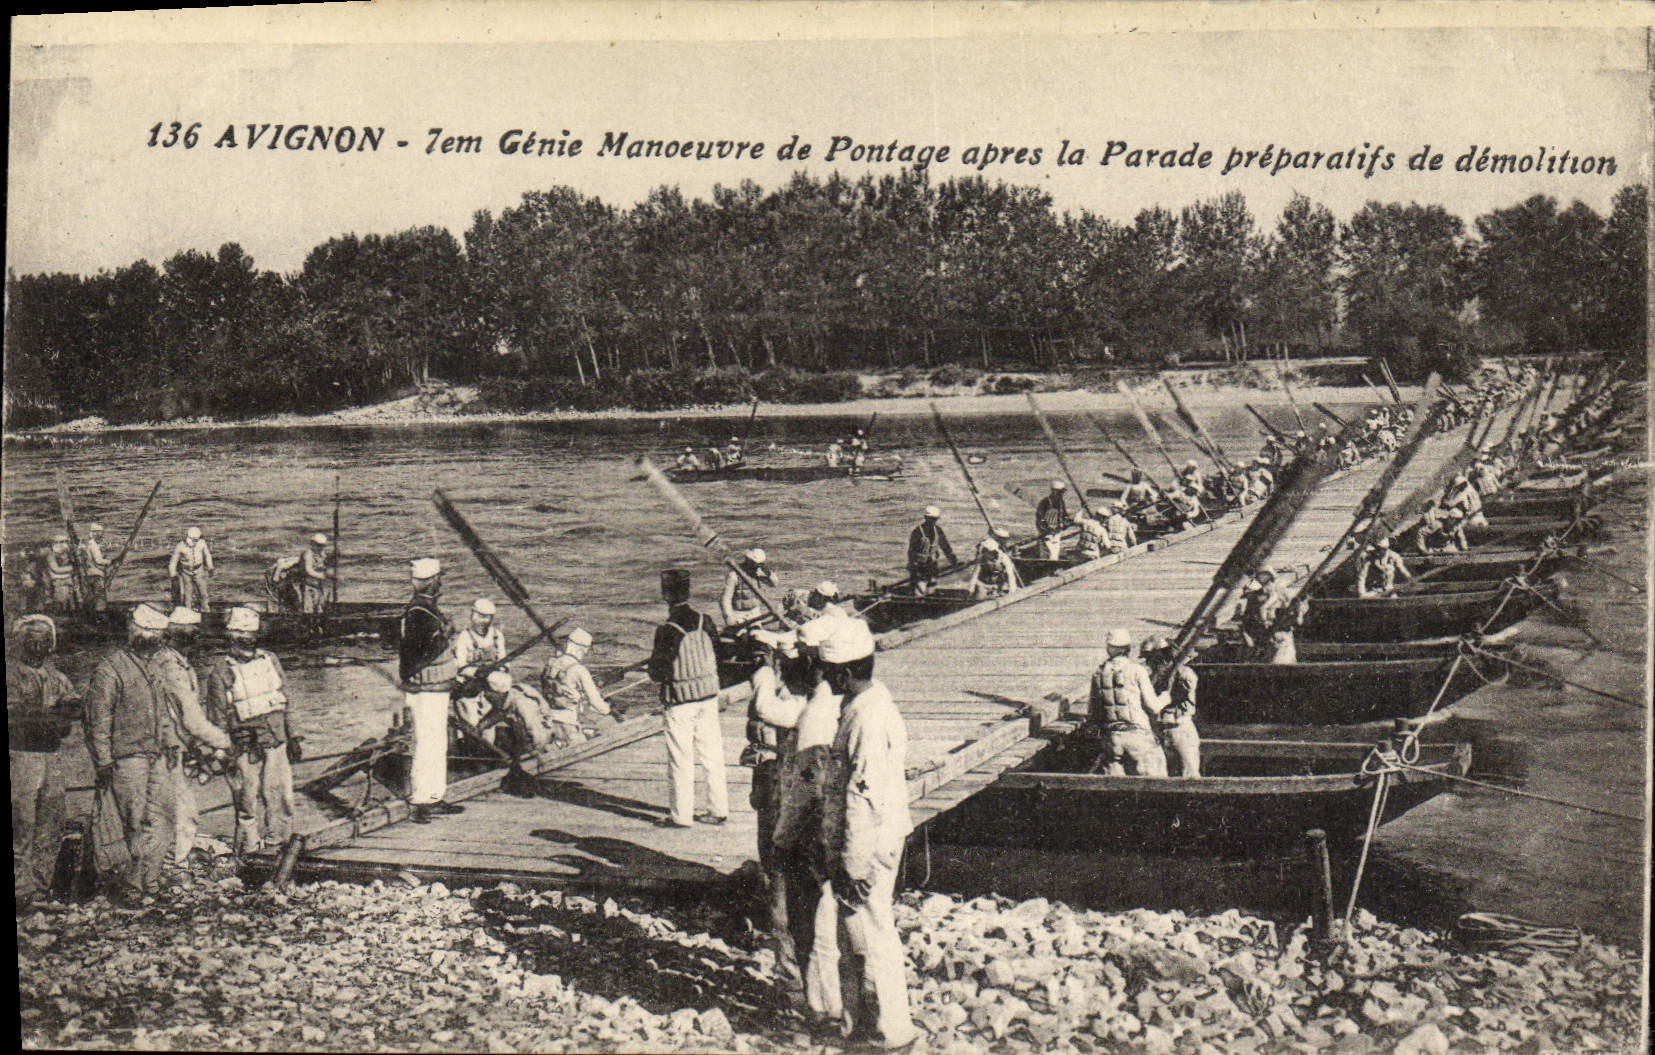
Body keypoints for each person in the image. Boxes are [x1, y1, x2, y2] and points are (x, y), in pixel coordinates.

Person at [820, 619, 917, 1050]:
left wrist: (853, 863)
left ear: (843, 673)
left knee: (868, 937)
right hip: (880, 835)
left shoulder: (865, 718)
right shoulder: (875, 703)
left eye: (828, 673)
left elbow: (864, 797)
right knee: (869, 933)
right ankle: (868, 1024)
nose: (825, 679)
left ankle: (884, 1033)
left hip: (869, 843)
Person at [762, 616, 852, 1033]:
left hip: (808, 831)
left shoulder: (814, 711)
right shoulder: (842, 705)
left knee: (804, 922)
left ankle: (816, 1007)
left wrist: (783, 837)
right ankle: (837, 1004)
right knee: (830, 924)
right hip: (838, 832)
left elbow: (806, 786)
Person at [84, 603, 180, 903]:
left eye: (157, 635)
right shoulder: (110, 669)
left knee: (164, 817)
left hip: (154, 754)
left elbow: (163, 714)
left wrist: (171, 742)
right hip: (126, 759)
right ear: (134, 633)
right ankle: (131, 887)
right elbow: (98, 720)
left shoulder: (153, 669)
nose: (153, 640)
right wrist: (103, 761)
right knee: (132, 823)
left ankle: (150, 880)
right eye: (147, 634)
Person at [202, 608, 301, 855]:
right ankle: (249, 849)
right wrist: (223, 752)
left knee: (281, 797)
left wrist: (295, 736)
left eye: (252, 635)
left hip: (275, 739)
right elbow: (217, 718)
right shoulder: (220, 672)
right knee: (246, 801)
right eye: (241, 635)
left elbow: (286, 698)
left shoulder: (270, 660)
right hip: (244, 747)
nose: (248, 640)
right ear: (231, 638)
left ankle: (279, 843)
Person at [153, 606, 234, 872]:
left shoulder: (170, 661)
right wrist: (223, 742)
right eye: (193, 635)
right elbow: (190, 718)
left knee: (167, 808)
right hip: (166, 748)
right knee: (181, 809)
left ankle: (169, 861)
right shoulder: (171, 668)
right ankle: (175, 865)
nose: (197, 641)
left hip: (169, 744)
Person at [649, 569, 729, 828]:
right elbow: (717, 654)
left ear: (665, 594)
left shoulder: (667, 630)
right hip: (708, 696)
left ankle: (681, 816)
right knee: (712, 755)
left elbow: (657, 673)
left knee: (681, 760)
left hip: (681, 702)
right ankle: (718, 810)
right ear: (688, 591)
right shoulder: (705, 620)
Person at [9, 615, 80, 909]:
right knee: (22, 821)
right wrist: (51, 717)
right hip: (21, 756)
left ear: (51, 644)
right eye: (31, 640)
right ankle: (20, 889)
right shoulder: (13, 675)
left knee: (51, 818)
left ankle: (40, 886)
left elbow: (74, 705)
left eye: (43, 640)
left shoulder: (56, 676)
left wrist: (60, 713)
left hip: (51, 756)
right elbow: (16, 717)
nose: (37, 646)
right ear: (20, 643)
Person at [398, 558, 464, 824]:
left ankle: (434, 796)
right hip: (426, 689)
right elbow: (416, 653)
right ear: (430, 582)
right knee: (427, 742)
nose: (442, 584)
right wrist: (443, 636)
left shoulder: (424, 609)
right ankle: (420, 800)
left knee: (437, 742)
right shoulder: (418, 613)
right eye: (438, 579)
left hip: (435, 688)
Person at [1087, 628, 1167, 777]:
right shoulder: (1137, 670)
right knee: (1158, 777)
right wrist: (1165, 697)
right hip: (1138, 736)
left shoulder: (1098, 673)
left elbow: (1093, 712)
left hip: (1113, 738)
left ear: (1108, 648)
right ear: (1128, 648)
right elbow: (1153, 707)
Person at [539, 627, 615, 742]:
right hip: (568, 726)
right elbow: (595, 702)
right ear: (581, 649)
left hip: (548, 723)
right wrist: (610, 711)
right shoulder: (579, 670)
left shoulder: (550, 665)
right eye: (585, 651)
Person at [1141, 637, 1200, 778]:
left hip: (1176, 724)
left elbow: (1185, 690)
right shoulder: (1151, 677)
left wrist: (1172, 673)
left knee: (1189, 773)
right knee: (1160, 775)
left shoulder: (1182, 673)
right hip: (1163, 727)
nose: (1149, 662)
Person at [452, 598, 509, 732]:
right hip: (469, 688)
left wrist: (500, 670)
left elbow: (504, 659)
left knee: (489, 727)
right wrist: (477, 672)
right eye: (480, 616)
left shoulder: (497, 636)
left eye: (487, 618)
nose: (483, 621)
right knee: (470, 724)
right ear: (473, 615)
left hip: (491, 688)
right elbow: (460, 665)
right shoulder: (464, 637)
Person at [906, 507, 955, 595]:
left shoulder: (938, 530)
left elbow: (945, 547)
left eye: (935, 519)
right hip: (919, 566)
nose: (933, 521)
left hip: (932, 566)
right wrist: (913, 567)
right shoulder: (917, 532)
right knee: (919, 590)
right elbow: (911, 551)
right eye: (931, 519)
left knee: (931, 587)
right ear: (926, 518)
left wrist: (953, 560)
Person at [722, 548, 776, 628]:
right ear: (748, 561)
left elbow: (773, 584)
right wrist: (729, 616)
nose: (757, 566)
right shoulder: (734, 575)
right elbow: (726, 598)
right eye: (755, 564)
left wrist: (768, 574)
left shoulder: (758, 573)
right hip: (738, 614)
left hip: (755, 613)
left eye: (760, 564)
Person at [169, 527, 214, 612]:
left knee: (202, 591)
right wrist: (173, 574)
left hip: (199, 570)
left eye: (197, 539)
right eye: (194, 540)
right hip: (186, 572)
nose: (195, 541)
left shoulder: (202, 543)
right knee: (188, 592)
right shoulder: (180, 546)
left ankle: (205, 610)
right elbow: (173, 561)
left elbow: (207, 555)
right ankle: (188, 610)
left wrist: (210, 567)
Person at [79, 523, 112, 610]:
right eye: (100, 533)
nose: (101, 535)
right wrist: (111, 562)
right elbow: (98, 561)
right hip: (96, 575)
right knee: (100, 597)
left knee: (90, 596)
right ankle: (100, 615)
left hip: (87, 575)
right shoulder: (93, 545)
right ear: (95, 533)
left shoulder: (85, 545)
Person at [1035, 480, 1071, 560]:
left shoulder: (1061, 502)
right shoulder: (1045, 502)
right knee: (1047, 555)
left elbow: (1064, 516)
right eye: (1060, 492)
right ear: (1054, 491)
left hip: (1056, 533)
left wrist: (1067, 522)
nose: (1062, 494)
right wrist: (1045, 531)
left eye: (1062, 492)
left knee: (1054, 555)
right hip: (1047, 534)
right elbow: (1039, 518)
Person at [298, 533, 332, 614]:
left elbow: (325, 565)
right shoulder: (308, 555)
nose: (320, 548)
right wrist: (322, 576)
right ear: (312, 544)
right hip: (307, 585)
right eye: (318, 545)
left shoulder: (322, 554)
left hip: (318, 586)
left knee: (319, 606)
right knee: (308, 608)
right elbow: (308, 570)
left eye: (322, 546)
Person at [46, 535, 78, 613]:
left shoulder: (69, 554)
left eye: (64, 541)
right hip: (58, 580)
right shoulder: (51, 555)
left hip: (69, 580)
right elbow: (56, 569)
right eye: (60, 542)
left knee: (71, 600)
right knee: (61, 599)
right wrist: (72, 568)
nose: (62, 544)